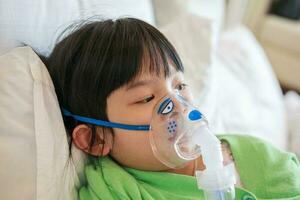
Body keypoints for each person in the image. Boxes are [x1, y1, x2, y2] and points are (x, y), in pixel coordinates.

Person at [43, 17, 300, 200]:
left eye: (179, 86)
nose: (177, 104)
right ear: (95, 139)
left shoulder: (257, 157)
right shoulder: (117, 189)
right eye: (146, 97)